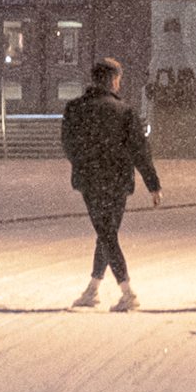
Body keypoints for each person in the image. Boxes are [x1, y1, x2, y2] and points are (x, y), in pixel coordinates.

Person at [60, 57, 161, 309]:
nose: (118, 84)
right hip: (118, 180)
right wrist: (152, 182)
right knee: (108, 233)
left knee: (105, 234)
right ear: (113, 80)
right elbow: (140, 150)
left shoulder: (75, 109)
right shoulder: (124, 111)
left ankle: (123, 293)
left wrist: (85, 164)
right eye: (118, 79)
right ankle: (99, 290)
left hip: (91, 180)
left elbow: (69, 145)